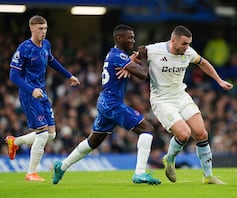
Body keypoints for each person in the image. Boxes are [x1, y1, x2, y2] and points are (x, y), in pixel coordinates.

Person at [52, 24, 161, 185]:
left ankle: (62, 166)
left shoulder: (116, 55)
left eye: (133, 37)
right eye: (129, 37)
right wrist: (143, 58)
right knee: (147, 128)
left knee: (93, 141)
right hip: (112, 103)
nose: (133, 40)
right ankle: (140, 173)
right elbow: (143, 75)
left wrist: (134, 60)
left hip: (105, 102)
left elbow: (131, 63)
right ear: (118, 38)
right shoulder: (118, 56)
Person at [144, 25, 233, 184]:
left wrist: (219, 80)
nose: (187, 47)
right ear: (173, 40)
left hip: (181, 96)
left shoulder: (189, 52)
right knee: (184, 134)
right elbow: (134, 58)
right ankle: (169, 159)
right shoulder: (153, 50)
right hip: (162, 100)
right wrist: (125, 69)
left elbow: (203, 62)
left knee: (201, 134)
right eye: (184, 44)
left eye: (189, 43)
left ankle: (208, 176)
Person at [5, 15, 80, 181]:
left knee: (51, 134)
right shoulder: (24, 48)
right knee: (42, 134)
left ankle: (14, 142)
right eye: (40, 29)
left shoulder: (46, 45)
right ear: (31, 28)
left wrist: (69, 75)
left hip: (42, 93)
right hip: (29, 94)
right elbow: (14, 76)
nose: (43, 32)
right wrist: (31, 90)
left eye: (45, 28)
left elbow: (51, 61)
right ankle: (31, 173)